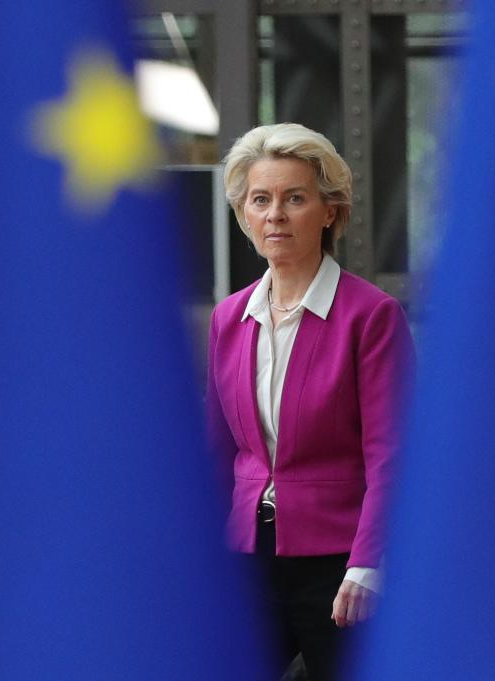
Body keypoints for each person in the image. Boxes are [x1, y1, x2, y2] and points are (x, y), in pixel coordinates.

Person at [206, 123, 414, 681]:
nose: (275, 215)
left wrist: (369, 562)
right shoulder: (229, 318)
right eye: (260, 200)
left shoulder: (372, 316)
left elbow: (392, 457)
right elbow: (216, 452)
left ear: (329, 211)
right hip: (247, 556)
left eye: (294, 198)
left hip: (339, 563)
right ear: (244, 214)